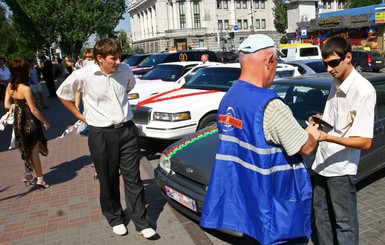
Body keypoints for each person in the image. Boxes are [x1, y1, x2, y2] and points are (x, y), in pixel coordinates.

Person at [199, 34, 321, 245]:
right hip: (275, 212)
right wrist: (313, 131)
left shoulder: (230, 97)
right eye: (276, 62)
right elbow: (306, 147)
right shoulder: (271, 105)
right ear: (269, 61)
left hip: (247, 206)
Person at [56, 38, 156, 238]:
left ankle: (141, 221)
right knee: (108, 178)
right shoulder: (84, 75)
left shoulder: (125, 70)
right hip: (101, 134)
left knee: (133, 178)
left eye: (119, 56)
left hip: (127, 131)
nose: (118, 61)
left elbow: (128, 88)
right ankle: (115, 217)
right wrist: (80, 116)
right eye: (113, 58)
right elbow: (63, 94)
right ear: (99, 58)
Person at [311, 36, 376, 245]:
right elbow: (337, 123)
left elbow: (365, 141)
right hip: (321, 162)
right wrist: (322, 122)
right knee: (321, 216)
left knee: (344, 223)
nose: (329, 68)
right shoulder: (335, 80)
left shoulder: (363, 90)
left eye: (333, 63)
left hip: (341, 168)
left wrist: (327, 136)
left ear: (348, 57)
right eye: (326, 64)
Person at [4, 60, 50, 189]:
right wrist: (45, 121)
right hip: (30, 120)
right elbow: (34, 109)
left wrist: (16, 106)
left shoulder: (10, 86)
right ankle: (40, 179)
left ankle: (29, 174)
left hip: (19, 121)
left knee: (25, 148)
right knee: (34, 151)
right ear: (23, 72)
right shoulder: (26, 89)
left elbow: (6, 105)